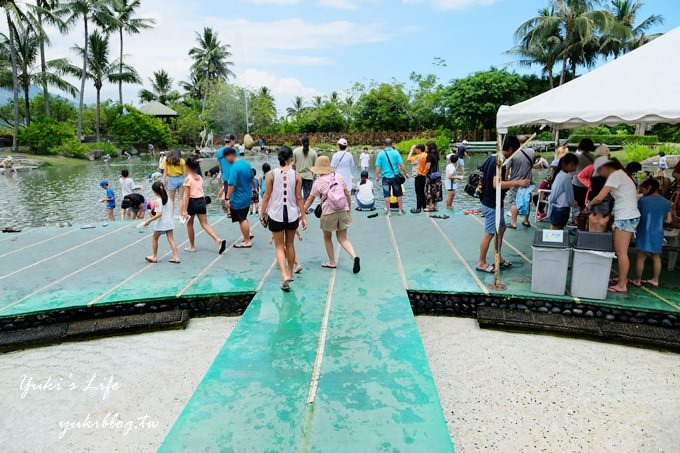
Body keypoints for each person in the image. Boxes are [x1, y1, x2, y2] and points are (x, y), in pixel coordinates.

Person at [476, 135, 530, 274]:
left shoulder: (491, 158)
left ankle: (498, 257)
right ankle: (481, 263)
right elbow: (496, 184)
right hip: (491, 203)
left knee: (501, 228)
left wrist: (509, 180)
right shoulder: (497, 160)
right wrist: (517, 182)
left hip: (493, 202)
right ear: (511, 149)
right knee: (489, 233)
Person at [587, 159, 641, 294]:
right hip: (627, 215)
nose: (599, 173)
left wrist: (589, 204)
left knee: (620, 252)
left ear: (606, 167)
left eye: (600, 170)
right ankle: (622, 278)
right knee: (621, 252)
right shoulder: (621, 174)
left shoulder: (615, 175)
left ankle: (622, 285)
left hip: (626, 216)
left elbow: (600, 197)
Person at [260, 146, 308, 291]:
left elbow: (267, 197)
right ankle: (290, 273)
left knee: (279, 246)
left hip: (276, 214)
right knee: (290, 245)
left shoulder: (271, 174)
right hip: (293, 214)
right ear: (290, 158)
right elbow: (299, 197)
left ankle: (283, 275)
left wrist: (262, 214)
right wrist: (304, 216)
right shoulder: (297, 175)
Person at [303, 156, 360, 274]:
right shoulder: (339, 177)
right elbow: (347, 194)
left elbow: (309, 200)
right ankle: (354, 256)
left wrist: (302, 212)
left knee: (327, 237)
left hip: (329, 212)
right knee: (342, 238)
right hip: (343, 209)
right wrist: (348, 208)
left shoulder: (318, 182)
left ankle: (332, 262)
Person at [631, 178, 672, 289]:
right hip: (658, 232)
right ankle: (655, 280)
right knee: (656, 256)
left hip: (644, 231)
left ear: (649, 188)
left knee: (641, 256)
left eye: (643, 190)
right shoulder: (666, 202)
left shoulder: (643, 201)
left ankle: (637, 280)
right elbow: (669, 220)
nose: (642, 192)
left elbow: (636, 215)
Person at [182, 156, 227, 254]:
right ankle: (217, 239)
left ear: (188, 167)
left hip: (192, 202)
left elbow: (187, 195)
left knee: (190, 224)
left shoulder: (188, 179)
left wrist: (184, 210)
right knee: (205, 224)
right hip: (201, 201)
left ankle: (192, 246)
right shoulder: (200, 178)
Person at [142, 181, 180, 264]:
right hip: (169, 222)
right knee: (171, 239)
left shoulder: (157, 201)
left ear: (155, 192)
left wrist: (149, 220)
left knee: (154, 238)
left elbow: (159, 214)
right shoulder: (169, 199)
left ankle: (154, 256)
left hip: (161, 223)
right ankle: (176, 257)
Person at [224, 147, 255, 248]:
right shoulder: (246, 164)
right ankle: (248, 234)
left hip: (239, 197)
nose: (226, 160)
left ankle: (247, 241)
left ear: (230, 155)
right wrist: (255, 188)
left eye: (226, 158)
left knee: (242, 219)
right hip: (247, 195)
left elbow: (231, 184)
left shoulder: (234, 168)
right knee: (244, 216)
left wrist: (227, 197)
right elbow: (252, 178)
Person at [507, 135, 536, 229]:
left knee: (514, 202)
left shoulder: (513, 153)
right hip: (528, 181)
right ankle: (526, 221)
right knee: (527, 200)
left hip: (516, 182)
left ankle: (513, 223)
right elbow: (533, 163)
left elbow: (507, 169)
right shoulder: (532, 152)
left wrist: (505, 181)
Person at [375, 138, 409, 216]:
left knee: (386, 195)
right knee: (399, 194)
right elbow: (401, 164)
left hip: (385, 178)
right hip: (395, 177)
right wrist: (406, 173)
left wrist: (377, 176)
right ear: (392, 144)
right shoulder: (396, 152)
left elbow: (378, 166)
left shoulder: (381, 154)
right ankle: (400, 211)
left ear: (384, 145)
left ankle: (389, 211)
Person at [547, 153, 579, 230]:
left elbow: (554, 194)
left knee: (555, 228)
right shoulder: (566, 177)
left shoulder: (559, 175)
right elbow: (570, 195)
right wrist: (575, 209)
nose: (575, 168)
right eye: (573, 165)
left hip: (556, 207)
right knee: (557, 230)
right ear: (566, 164)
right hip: (562, 208)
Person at [572, 138, 596, 209]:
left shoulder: (576, 157)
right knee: (586, 203)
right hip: (589, 184)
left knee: (576, 205)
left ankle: (577, 219)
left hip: (577, 183)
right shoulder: (594, 157)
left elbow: (571, 170)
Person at [293, 135, 317, 201]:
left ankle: (297, 209)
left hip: (298, 176)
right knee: (307, 196)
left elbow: (293, 165)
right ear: (309, 142)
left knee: (296, 194)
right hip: (309, 177)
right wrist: (314, 177)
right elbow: (315, 168)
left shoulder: (295, 151)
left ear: (301, 142)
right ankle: (305, 210)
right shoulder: (313, 153)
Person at [216, 134, 236, 212]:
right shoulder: (234, 151)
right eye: (234, 140)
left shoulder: (219, 152)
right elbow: (237, 164)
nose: (234, 142)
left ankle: (228, 211)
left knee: (227, 194)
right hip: (234, 176)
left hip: (225, 176)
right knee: (234, 193)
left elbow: (219, 165)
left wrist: (221, 173)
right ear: (231, 141)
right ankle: (233, 210)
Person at [162, 149, 185, 215]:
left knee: (171, 200)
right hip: (181, 179)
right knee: (180, 198)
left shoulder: (167, 160)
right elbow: (185, 173)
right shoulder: (181, 161)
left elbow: (165, 172)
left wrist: (164, 182)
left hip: (172, 179)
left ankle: (171, 215)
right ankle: (181, 215)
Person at [407, 144, 427, 214]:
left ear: (419, 149)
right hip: (425, 176)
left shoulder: (418, 156)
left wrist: (411, 150)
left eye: (416, 149)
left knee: (418, 193)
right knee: (422, 192)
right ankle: (424, 207)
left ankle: (418, 208)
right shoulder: (426, 155)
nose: (415, 150)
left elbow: (408, 159)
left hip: (419, 176)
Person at [424, 141, 442, 212]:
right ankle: (435, 207)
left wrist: (425, 174)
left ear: (429, 147)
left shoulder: (429, 155)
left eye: (426, 147)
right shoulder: (436, 155)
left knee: (429, 191)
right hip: (437, 175)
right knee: (436, 190)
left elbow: (428, 167)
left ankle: (429, 207)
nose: (425, 148)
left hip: (431, 175)